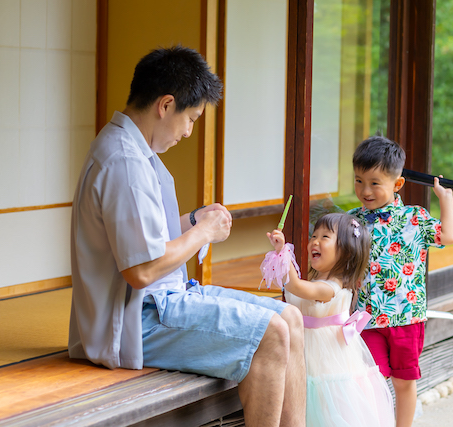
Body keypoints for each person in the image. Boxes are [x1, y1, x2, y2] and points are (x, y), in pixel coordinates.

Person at [68, 46, 305, 427]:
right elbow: (141, 270)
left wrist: (195, 219)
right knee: (273, 333)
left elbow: (144, 239)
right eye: (191, 118)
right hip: (135, 320)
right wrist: (203, 232)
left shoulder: (133, 151)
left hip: (163, 300)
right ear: (165, 105)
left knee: (291, 318)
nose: (189, 131)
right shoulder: (124, 162)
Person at [347, 135, 453, 427]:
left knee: (404, 381)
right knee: (370, 380)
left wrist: (446, 200)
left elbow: (447, 236)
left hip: (406, 318)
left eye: (374, 183)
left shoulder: (414, 218)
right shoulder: (351, 221)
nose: (364, 190)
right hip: (366, 319)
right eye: (359, 181)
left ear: (397, 185)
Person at [265, 213, 396, 427]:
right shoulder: (317, 281)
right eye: (314, 235)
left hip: (324, 360)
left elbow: (296, 286)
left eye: (325, 237)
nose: (314, 241)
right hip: (300, 353)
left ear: (346, 251)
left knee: (323, 407)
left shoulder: (332, 287)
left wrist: (283, 254)